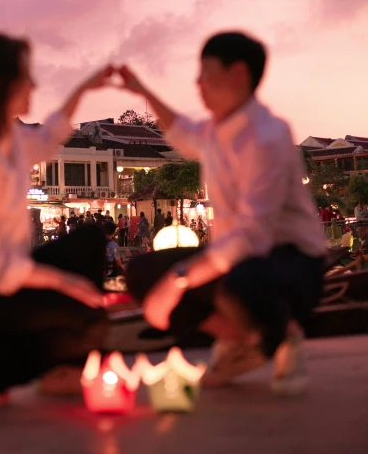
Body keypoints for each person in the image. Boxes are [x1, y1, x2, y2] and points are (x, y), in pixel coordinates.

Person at [119, 31, 325, 395]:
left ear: (239, 74)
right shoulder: (216, 132)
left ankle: (280, 334)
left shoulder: (267, 136)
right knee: (142, 274)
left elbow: (253, 236)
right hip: (236, 256)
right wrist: (142, 91)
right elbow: (180, 132)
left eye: (206, 72)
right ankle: (246, 338)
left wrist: (180, 278)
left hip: (290, 262)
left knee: (236, 278)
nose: (197, 83)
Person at [0, 33, 115, 404]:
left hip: (8, 274)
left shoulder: (12, 141)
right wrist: (61, 281)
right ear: (4, 85)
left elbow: (50, 136)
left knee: (91, 239)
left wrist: (83, 89)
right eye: (26, 76)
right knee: (90, 321)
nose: (34, 84)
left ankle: (53, 363)